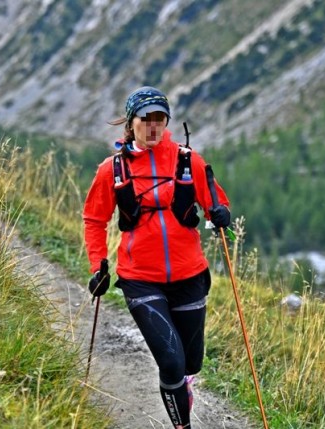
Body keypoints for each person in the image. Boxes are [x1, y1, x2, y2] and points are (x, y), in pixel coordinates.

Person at [82, 86, 232, 429]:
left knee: (191, 363)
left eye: (159, 119)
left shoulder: (187, 160)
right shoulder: (112, 169)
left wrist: (220, 214)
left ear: (167, 122)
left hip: (190, 275)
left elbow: (215, 204)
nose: (153, 127)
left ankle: (182, 387)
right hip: (140, 278)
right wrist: (98, 265)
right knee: (170, 360)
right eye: (145, 119)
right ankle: (182, 425)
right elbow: (94, 219)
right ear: (131, 123)